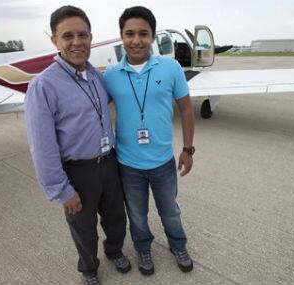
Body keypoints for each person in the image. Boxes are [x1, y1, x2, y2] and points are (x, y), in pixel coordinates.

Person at [25, 6, 130, 285]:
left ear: (91, 38)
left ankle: (115, 251)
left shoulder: (95, 75)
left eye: (82, 35)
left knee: (116, 218)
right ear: (54, 41)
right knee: (84, 229)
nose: (76, 42)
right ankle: (89, 268)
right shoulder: (43, 86)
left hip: (109, 163)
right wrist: (61, 189)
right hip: (78, 172)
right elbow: (42, 147)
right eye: (67, 35)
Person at [104, 6, 195, 276]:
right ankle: (143, 247)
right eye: (129, 33)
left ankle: (177, 244)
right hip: (128, 164)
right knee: (137, 216)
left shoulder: (170, 68)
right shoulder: (110, 75)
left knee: (170, 212)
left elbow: (187, 109)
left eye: (143, 33)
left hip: (163, 162)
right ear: (121, 36)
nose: (136, 40)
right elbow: (92, 110)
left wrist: (188, 150)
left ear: (153, 36)